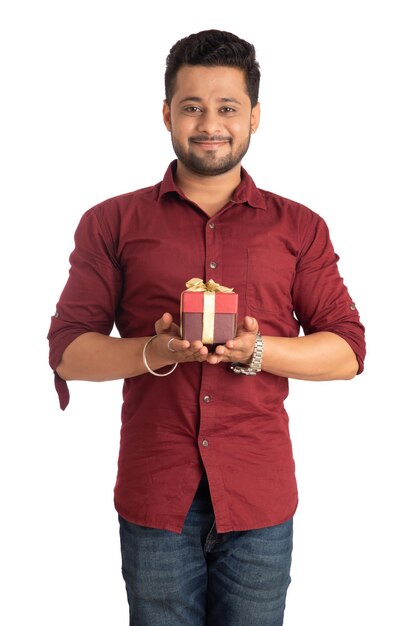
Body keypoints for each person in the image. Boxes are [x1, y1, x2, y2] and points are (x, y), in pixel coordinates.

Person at [48, 29, 366, 626]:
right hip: (156, 493)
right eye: (192, 107)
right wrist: (157, 350)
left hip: (259, 496)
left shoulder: (300, 228)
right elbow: (69, 352)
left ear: (255, 117)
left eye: (227, 108)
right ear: (167, 114)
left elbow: (347, 350)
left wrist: (258, 351)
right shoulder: (110, 222)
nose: (209, 123)